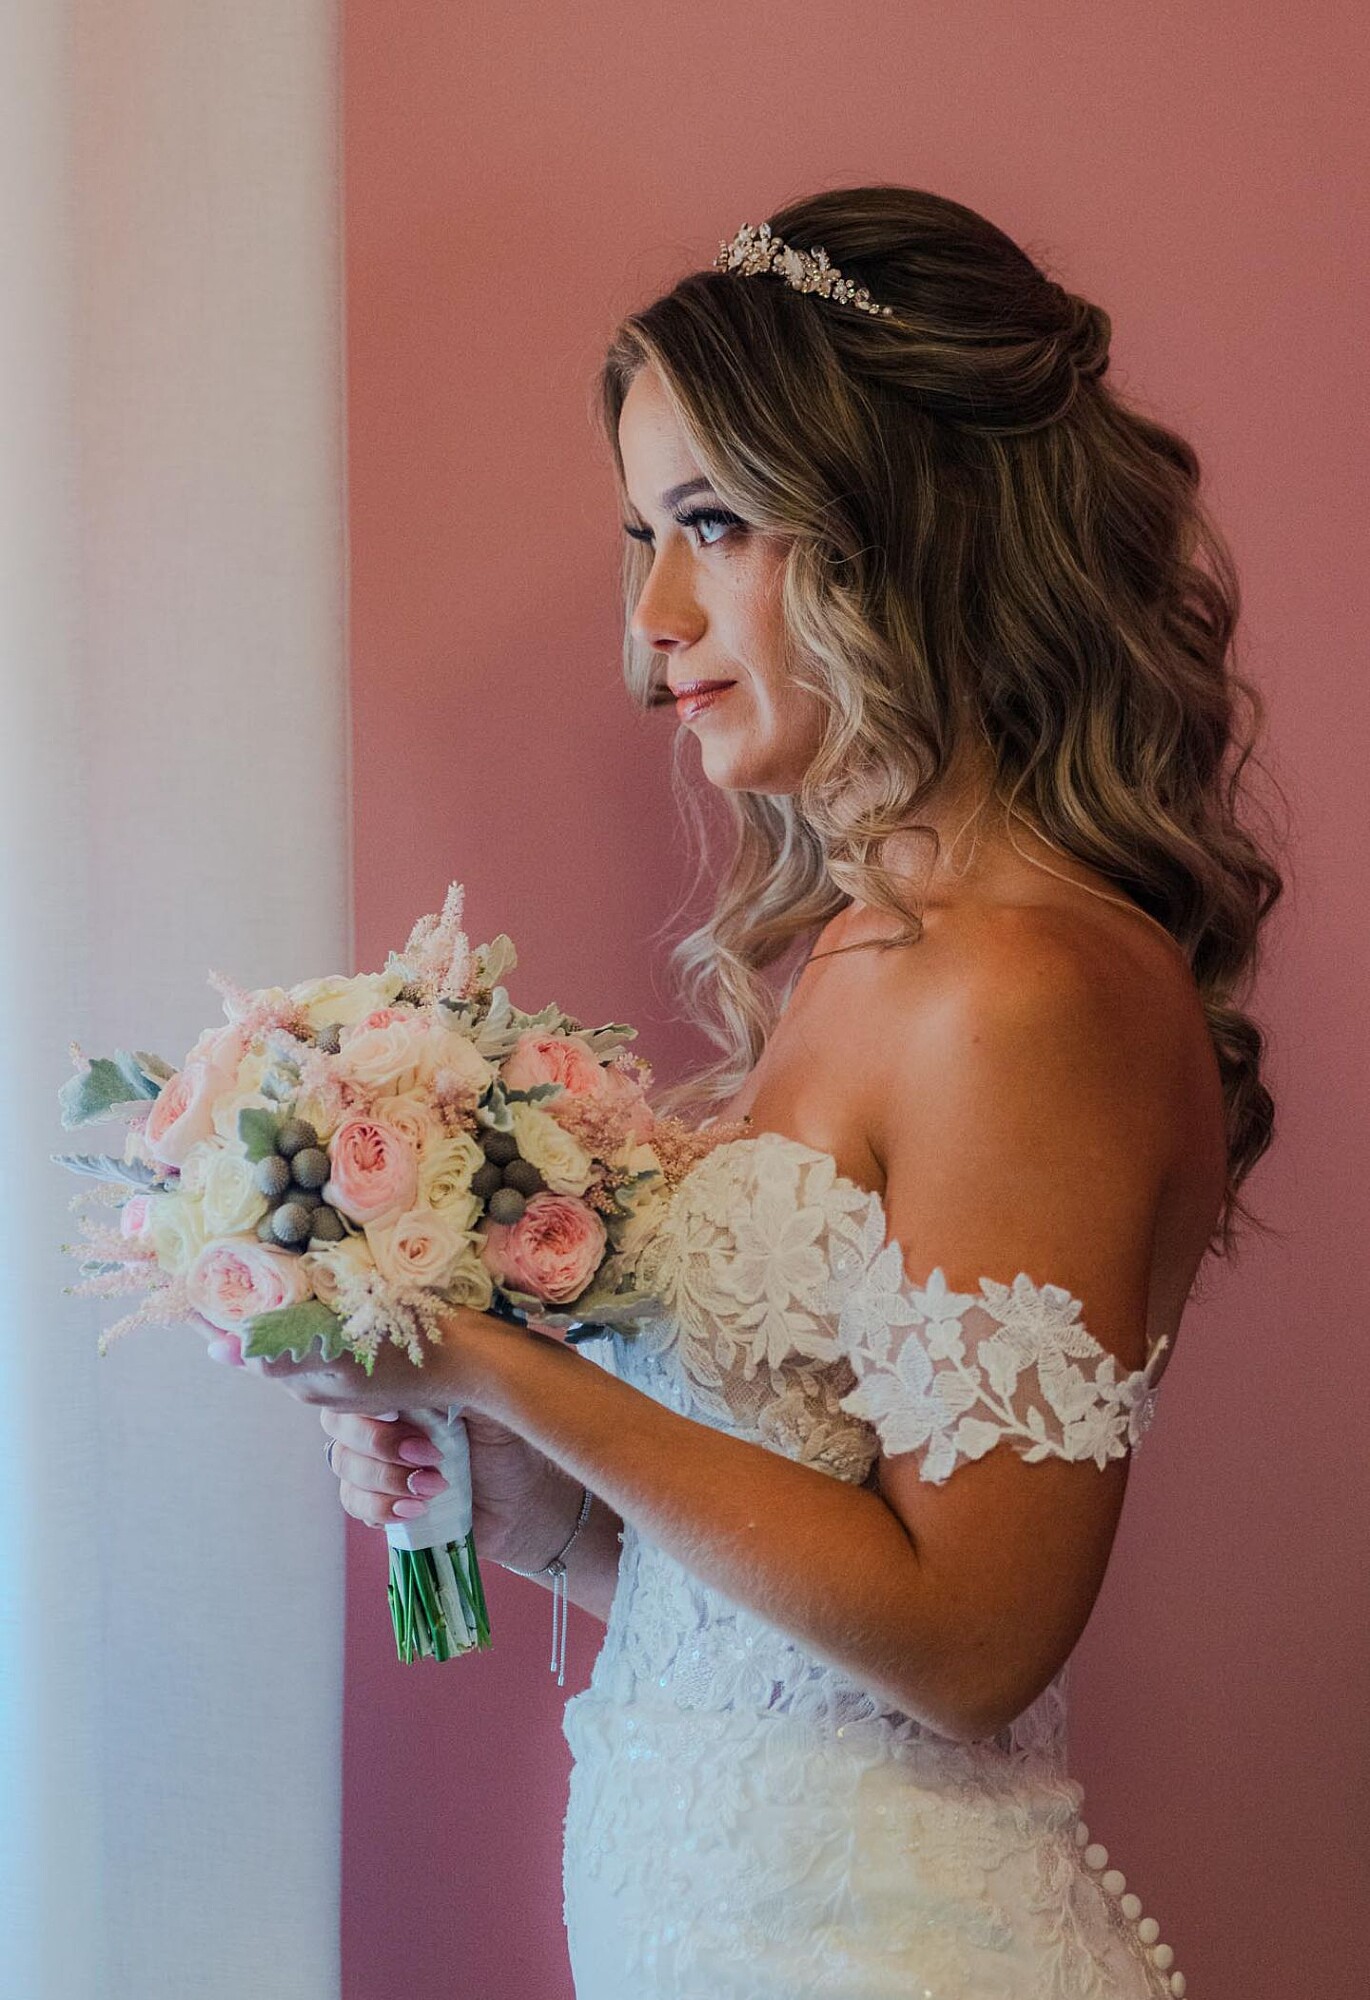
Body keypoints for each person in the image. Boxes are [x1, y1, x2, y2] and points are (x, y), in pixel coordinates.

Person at [244, 187, 1283, 1996]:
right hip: (720, 1925)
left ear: (912, 537)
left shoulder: (1019, 988)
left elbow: (971, 1644)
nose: (650, 622)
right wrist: (509, 1500)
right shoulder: (863, 958)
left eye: (711, 526)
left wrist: (491, 1363)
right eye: (643, 533)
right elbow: (785, 1626)